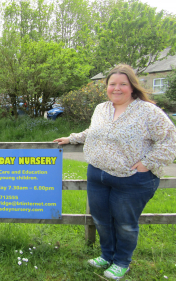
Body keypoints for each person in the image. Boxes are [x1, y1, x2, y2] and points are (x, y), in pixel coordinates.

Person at [54, 64, 176, 280]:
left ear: (132, 86)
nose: (116, 88)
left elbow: (170, 140)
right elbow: (94, 131)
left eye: (122, 84)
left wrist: (147, 163)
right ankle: (107, 254)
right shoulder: (102, 108)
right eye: (112, 84)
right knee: (101, 219)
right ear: (106, 86)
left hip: (132, 179)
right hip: (97, 174)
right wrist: (72, 138)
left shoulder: (148, 111)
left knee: (125, 223)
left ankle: (121, 262)